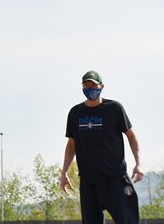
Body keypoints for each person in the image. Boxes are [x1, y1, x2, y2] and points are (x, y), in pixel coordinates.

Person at [60, 70, 143, 224]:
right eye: (87, 85)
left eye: (93, 84)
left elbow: (131, 136)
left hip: (115, 179)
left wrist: (138, 164)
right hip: (88, 182)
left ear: (101, 86)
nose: (90, 88)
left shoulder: (114, 108)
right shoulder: (75, 113)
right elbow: (71, 145)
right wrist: (64, 172)